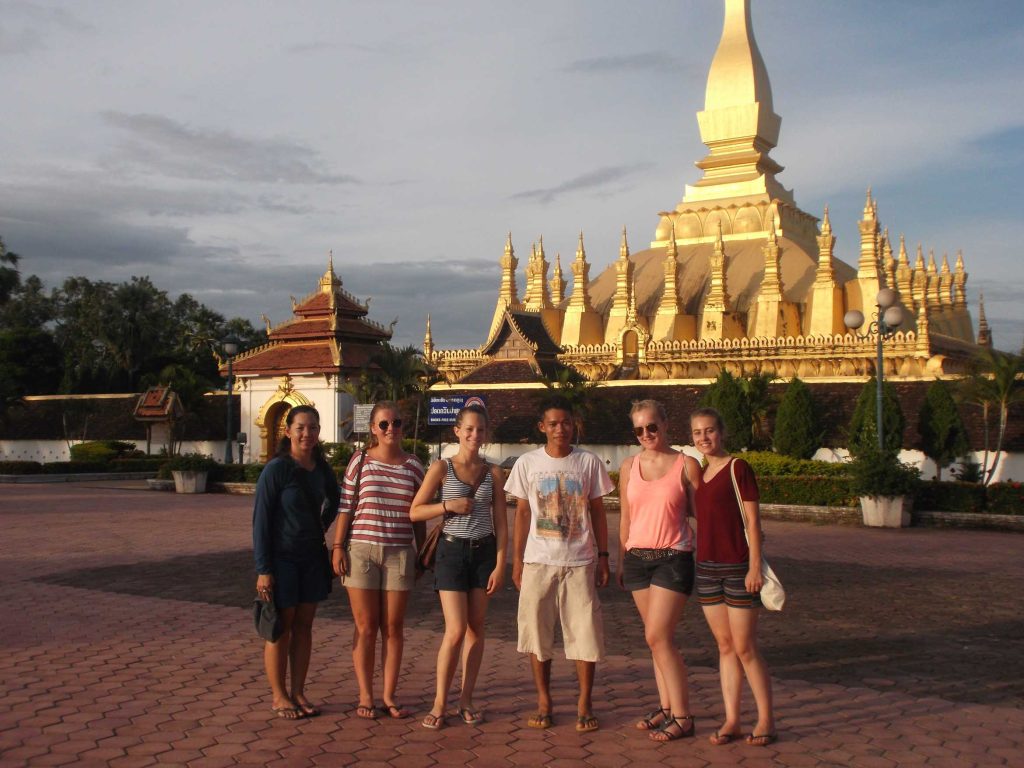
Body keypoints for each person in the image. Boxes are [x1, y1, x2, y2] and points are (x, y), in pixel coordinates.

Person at [506, 395, 614, 733]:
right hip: (539, 559)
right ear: (542, 427)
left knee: (585, 633)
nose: (560, 429)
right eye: (552, 423)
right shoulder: (527, 464)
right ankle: (544, 700)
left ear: (574, 424)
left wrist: (603, 556)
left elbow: (597, 511)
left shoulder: (588, 462)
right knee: (537, 632)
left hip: (580, 560)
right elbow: (522, 513)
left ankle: (584, 701)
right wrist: (517, 560)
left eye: (565, 422)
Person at [410, 404, 508, 730]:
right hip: (451, 553)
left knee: (476, 629)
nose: (474, 436)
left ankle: (466, 699)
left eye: (480, 430)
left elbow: (501, 523)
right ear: (457, 431)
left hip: (483, 553)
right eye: (468, 429)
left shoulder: (493, 472)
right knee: (455, 631)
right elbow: (415, 511)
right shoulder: (441, 468)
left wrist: (500, 564)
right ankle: (440, 702)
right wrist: (446, 505)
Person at [331, 401, 425, 720]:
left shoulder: (414, 466)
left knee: (394, 627)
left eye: (396, 423)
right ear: (373, 428)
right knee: (366, 627)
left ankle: (388, 695)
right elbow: (346, 506)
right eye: (383, 424)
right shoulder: (360, 461)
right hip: (362, 550)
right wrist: (338, 546)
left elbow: (420, 514)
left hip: (399, 551)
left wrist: (423, 550)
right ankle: (365, 694)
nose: (391, 429)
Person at [690, 407, 776, 747]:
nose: (704, 437)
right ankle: (732, 719)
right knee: (724, 646)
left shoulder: (738, 468)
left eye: (709, 431)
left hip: (738, 567)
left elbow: (753, 523)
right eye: (698, 433)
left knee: (745, 647)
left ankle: (766, 718)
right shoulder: (700, 474)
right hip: (707, 567)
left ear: (721, 433)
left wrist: (754, 567)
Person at [617, 399, 700, 742]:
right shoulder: (628, 466)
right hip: (638, 558)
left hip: (673, 557)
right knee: (655, 640)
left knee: (658, 636)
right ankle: (666, 708)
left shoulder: (686, 464)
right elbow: (625, 515)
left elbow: (701, 515)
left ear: (666, 425)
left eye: (652, 426)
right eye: (639, 429)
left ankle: (683, 715)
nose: (647, 434)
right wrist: (623, 556)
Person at [253, 405, 340, 719]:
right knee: (281, 627)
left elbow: (335, 498)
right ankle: (279, 695)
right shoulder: (276, 470)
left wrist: (322, 525)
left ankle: (299, 690)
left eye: (313, 428)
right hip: (282, 559)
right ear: (287, 431)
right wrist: (263, 569)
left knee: (304, 627)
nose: (307, 434)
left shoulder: (321, 469)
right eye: (301, 427)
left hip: (311, 557)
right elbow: (261, 521)